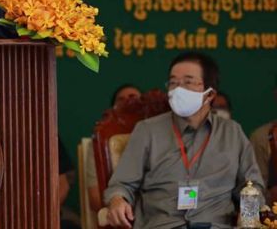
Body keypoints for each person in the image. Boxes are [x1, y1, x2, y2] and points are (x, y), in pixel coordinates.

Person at [104, 52, 263, 228]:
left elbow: (252, 185)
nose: (178, 89)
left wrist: (248, 219)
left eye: (188, 82)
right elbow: (121, 184)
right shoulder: (147, 130)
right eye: (173, 83)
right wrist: (117, 201)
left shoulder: (232, 133)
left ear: (209, 95)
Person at [85, 84, 142, 214]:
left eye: (133, 98)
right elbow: (95, 200)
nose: (128, 103)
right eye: (121, 100)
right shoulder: (100, 142)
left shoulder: (157, 134)